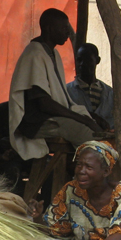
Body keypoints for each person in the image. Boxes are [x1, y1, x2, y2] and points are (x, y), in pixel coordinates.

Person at [8, 8, 101, 160]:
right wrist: (83, 119)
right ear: (49, 29)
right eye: (64, 28)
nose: (67, 32)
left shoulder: (53, 53)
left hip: (51, 118)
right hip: (36, 122)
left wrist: (90, 117)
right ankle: (91, 177)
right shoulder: (34, 54)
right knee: (87, 135)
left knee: (95, 128)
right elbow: (45, 104)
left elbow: (60, 98)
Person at [67, 43, 115, 130]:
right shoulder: (67, 91)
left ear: (97, 60)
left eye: (87, 60)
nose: (82, 64)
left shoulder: (110, 93)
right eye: (79, 60)